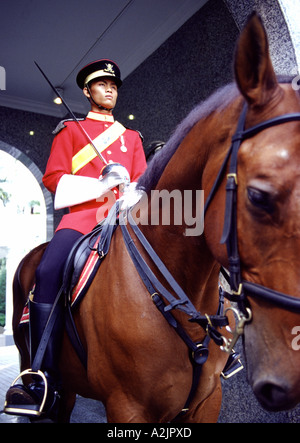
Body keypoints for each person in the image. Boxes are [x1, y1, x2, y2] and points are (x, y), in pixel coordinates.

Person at [4, 59, 147, 420]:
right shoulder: (71, 130)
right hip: (82, 218)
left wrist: (130, 192)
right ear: (87, 91)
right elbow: (54, 177)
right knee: (49, 269)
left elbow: (143, 185)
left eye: (113, 84)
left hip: (123, 219)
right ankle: (40, 375)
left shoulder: (131, 138)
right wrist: (101, 184)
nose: (109, 89)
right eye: (101, 84)